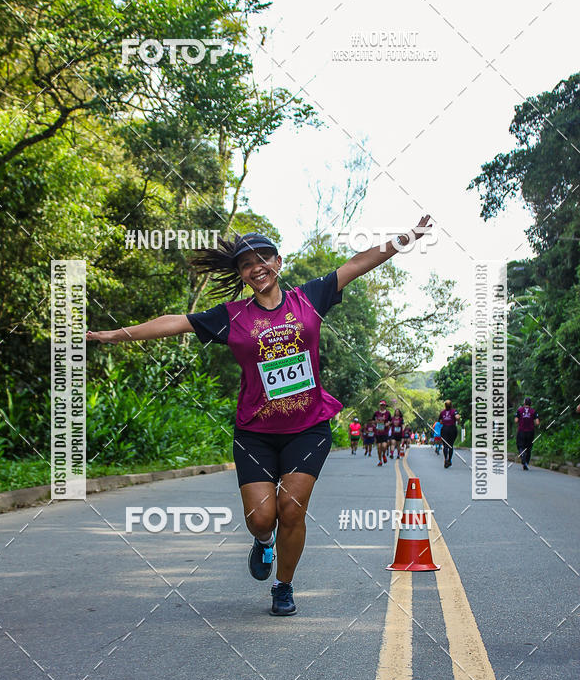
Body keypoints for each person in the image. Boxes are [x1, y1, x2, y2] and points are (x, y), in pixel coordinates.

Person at [87, 218, 433, 617]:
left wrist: (406, 238)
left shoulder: (310, 298)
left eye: (263, 258)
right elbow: (175, 322)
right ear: (241, 275)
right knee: (261, 519)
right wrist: (115, 335)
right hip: (255, 433)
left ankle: (283, 586)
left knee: (291, 509)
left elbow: (359, 263)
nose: (256, 267)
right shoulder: (231, 316)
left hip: (308, 427)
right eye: (246, 263)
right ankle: (263, 542)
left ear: (278, 262)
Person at [514, 397, 539, 470]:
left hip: (521, 431)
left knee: (520, 446)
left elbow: (516, 420)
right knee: (529, 448)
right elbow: (537, 422)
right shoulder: (533, 411)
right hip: (530, 432)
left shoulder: (519, 410)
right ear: (531, 403)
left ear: (524, 403)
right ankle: (526, 463)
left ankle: (523, 457)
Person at [439, 400, 460, 467]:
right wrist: (457, 420)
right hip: (452, 429)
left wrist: (445, 420)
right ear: (451, 405)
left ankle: (445, 459)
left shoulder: (442, 412)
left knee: (445, 445)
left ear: (445, 405)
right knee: (451, 445)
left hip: (444, 429)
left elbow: (440, 421)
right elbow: (457, 417)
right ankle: (449, 460)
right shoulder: (454, 411)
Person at [373, 400, 392, 466]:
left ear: (385, 406)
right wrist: (376, 422)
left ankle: (384, 455)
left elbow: (390, 421)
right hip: (378, 432)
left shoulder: (388, 413)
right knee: (379, 447)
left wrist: (387, 424)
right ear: (379, 405)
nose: (382, 406)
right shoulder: (376, 413)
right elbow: (373, 421)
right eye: (381, 405)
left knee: (384, 446)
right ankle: (380, 460)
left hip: (385, 432)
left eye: (383, 405)